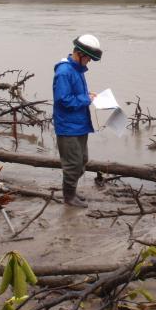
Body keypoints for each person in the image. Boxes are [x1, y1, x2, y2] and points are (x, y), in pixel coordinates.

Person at [52, 34, 103, 208]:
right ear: (80, 54)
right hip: (68, 127)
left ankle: (71, 190)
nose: (89, 62)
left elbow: (76, 95)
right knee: (73, 164)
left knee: (82, 161)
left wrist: (87, 96)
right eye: (88, 58)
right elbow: (64, 100)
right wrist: (86, 99)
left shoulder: (77, 70)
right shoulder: (64, 72)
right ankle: (68, 197)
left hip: (80, 124)